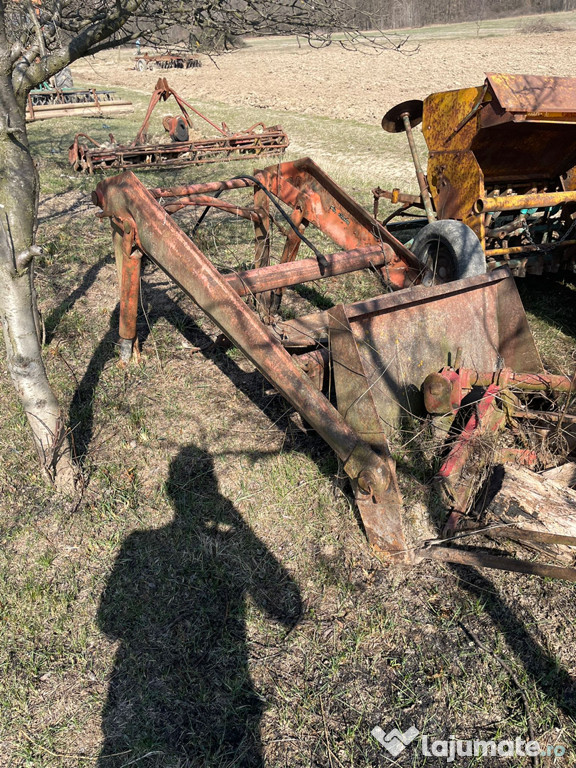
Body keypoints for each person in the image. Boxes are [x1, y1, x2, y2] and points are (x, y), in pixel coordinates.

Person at [97, 445, 302, 767]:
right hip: (230, 706)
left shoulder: (138, 543)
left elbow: (109, 624)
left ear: (168, 491)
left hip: (142, 712)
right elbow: (289, 611)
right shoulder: (142, 542)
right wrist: (241, 529)